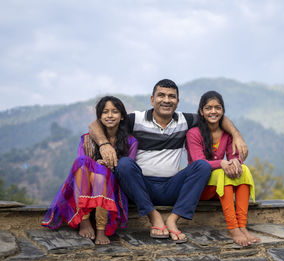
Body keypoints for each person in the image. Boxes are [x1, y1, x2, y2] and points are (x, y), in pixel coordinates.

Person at [89, 79, 248, 243]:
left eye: (171, 96)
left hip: (172, 186)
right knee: (124, 164)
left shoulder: (184, 120)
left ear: (177, 102)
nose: (166, 100)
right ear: (152, 99)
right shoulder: (136, 119)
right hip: (141, 187)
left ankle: (173, 219)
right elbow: (95, 124)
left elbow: (216, 116)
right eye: (161, 95)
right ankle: (153, 216)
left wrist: (236, 135)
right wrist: (104, 144)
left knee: (201, 166)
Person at [42, 96, 138, 245]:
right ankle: (84, 220)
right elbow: (81, 167)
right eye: (105, 112)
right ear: (99, 117)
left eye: (115, 112)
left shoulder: (130, 141)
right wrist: (97, 166)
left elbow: (128, 169)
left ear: (122, 116)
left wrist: (109, 167)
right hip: (87, 185)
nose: (110, 115)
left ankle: (101, 229)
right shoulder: (87, 139)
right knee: (83, 164)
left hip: (114, 186)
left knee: (101, 175)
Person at [185, 90, 260, 246]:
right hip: (200, 187)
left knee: (243, 170)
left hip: (219, 189)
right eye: (208, 108)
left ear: (223, 111)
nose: (213, 111)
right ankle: (233, 228)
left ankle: (242, 226)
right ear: (201, 111)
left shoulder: (227, 134)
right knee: (222, 173)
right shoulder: (193, 133)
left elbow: (234, 155)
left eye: (218, 107)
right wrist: (222, 163)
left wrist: (236, 162)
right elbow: (199, 162)